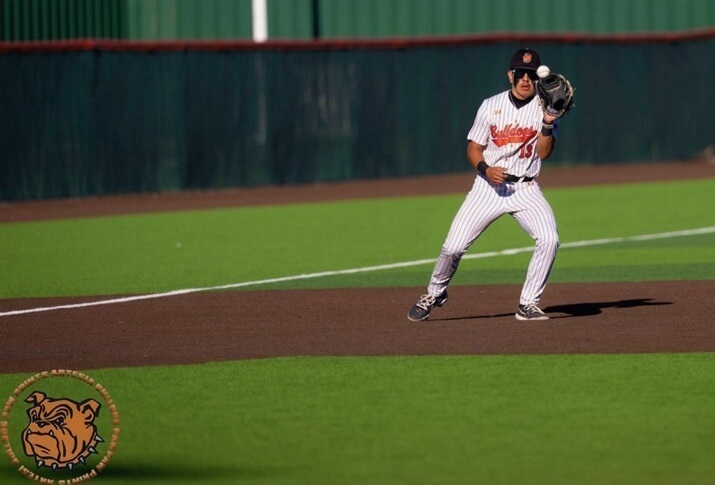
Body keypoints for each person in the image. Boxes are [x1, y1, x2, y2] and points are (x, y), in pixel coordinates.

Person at [408, 47, 561, 322]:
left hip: (525, 189)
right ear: (510, 75)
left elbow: (544, 153)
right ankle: (435, 292)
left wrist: (548, 124)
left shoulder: (544, 107)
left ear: (537, 78)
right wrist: (485, 169)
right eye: (520, 73)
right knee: (453, 247)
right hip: (487, 188)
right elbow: (473, 148)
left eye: (530, 74)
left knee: (549, 240)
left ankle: (528, 303)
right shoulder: (490, 105)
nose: (525, 79)